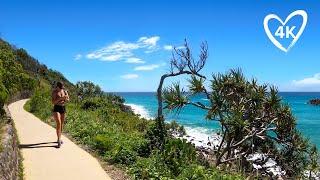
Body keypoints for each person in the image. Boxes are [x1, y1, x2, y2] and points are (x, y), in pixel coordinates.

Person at [51, 81, 69, 148]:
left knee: (61, 124)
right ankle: (58, 139)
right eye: (61, 87)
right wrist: (60, 98)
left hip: (63, 108)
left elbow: (68, 99)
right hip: (56, 107)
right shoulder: (54, 92)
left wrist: (66, 99)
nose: (62, 88)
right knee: (58, 123)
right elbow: (53, 102)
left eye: (62, 87)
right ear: (57, 86)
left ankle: (59, 137)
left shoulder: (64, 91)